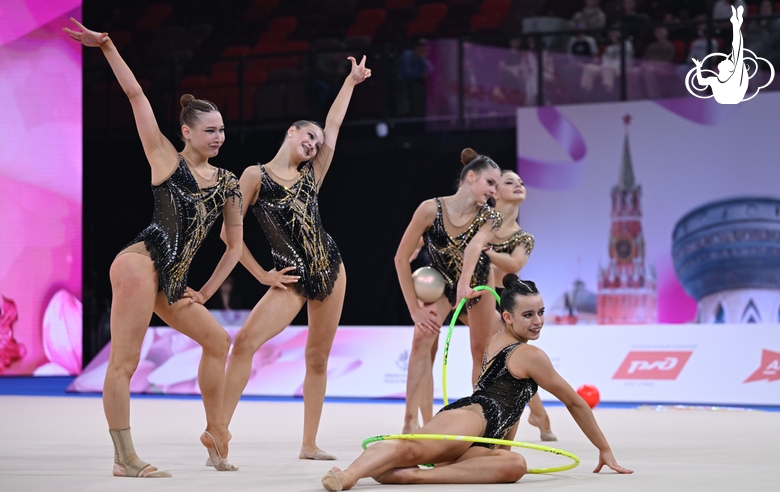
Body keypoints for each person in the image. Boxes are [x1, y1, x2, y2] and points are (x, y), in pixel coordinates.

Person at [63, 18, 243, 476]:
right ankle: (124, 457)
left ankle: (215, 432)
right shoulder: (164, 158)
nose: (219, 137)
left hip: (174, 278)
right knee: (126, 360)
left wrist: (204, 290)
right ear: (186, 132)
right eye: (210, 131)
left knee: (218, 339)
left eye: (222, 130)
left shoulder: (228, 182)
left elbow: (235, 246)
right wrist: (106, 47)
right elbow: (136, 96)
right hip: (139, 263)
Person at [320, 275, 634, 490]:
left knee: (515, 465)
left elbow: (515, 404)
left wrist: (477, 291)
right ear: (508, 317)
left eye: (540, 312)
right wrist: (604, 449)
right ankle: (348, 476)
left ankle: (412, 478)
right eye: (528, 315)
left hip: (488, 438)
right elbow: (575, 401)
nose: (537, 321)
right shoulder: (529, 354)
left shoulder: (500, 332)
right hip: (472, 418)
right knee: (410, 448)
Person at [221, 56, 371, 461]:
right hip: (290, 277)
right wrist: (261, 274)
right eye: (308, 137)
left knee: (317, 358)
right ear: (292, 132)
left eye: (317, 144)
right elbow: (228, 235)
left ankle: (309, 444)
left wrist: (350, 84)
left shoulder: (312, 175)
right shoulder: (254, 176)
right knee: (245, 342)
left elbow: (335, 125)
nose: (313, 144)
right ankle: (218, 434)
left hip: (330, 269)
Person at [395, 148, 502, 434]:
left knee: (482, 351)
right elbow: (401, 258)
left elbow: (475, 247)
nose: (494, 191)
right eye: (490, 183)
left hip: (477, 283)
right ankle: (410, 422)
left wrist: (466, 284)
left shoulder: (492, 217)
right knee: (421, 340)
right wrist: (414, 310)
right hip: (440, 284)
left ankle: (484, 422)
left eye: (497, 185)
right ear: (470, 177)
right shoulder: (431, 209)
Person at [485, 169, 556, 442]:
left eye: (521, 183)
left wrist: (482, 248)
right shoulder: (479, 223)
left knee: (500, 356)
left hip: (499, 302)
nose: (518, 185)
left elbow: (514, 265)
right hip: (466, 292)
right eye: (509, 182)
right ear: (495, 191)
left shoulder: (524, 238)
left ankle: (495, 416)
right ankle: (412, 418)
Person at [691, 5, 749, 104]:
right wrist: (697, 67)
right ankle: (695, 102)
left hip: (733, 100)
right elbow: (701, 81)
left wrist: (736, 26)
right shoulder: (714, 80)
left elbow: (737, 48)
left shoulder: (733, 79)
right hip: (720, 102)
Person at [581, 27, 635, 93]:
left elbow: (625, 58)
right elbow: (605, 59)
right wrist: (603, 67)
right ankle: (585, 90)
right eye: (611, 32)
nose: (613, 34)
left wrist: (606, 67)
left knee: (608, 68)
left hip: (622, 68)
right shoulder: (610, 47)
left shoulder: (627, 44)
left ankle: (607, 91)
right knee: (589, 67)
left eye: (615, 32)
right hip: (606, 68)